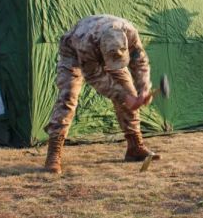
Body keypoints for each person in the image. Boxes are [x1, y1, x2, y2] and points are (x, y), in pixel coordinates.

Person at [44, 14, 159, 174]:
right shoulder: (85, 42)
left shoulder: (129, 32)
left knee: (130, 92)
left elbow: (139, 61)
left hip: (100, 46)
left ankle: (135, 147)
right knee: (68, 97)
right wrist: (125, 97)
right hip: (74, 54)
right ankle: (53, 154)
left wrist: (144, 89)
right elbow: (95, 77)